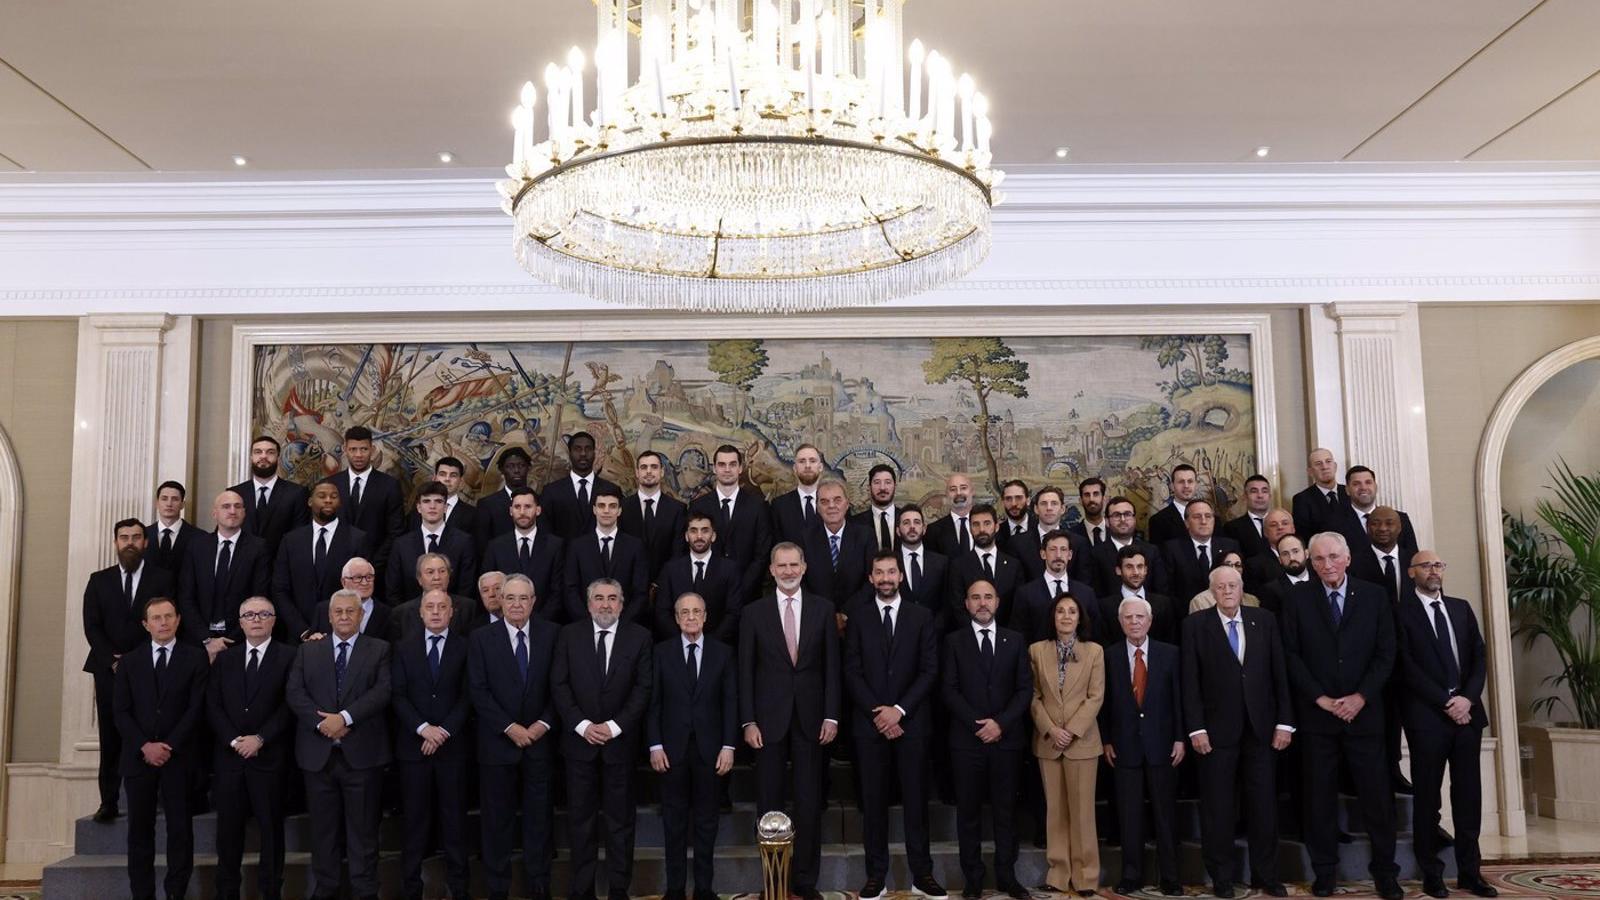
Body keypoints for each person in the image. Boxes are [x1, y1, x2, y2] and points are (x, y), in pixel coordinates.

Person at [1280, 532, 1402, 900]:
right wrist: (1319, 698)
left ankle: (1386, 873)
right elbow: (1290, 654)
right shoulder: (1297, 598)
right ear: (1311, 562)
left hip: (1364, 714)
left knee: (1377, 799)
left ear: (1347, 558)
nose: (1327, 564)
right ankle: (1325, 872)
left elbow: (1386, 653)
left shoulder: (1374, 596)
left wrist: (1361, 696)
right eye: (1319, 559)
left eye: (1333, 557)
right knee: (1318, 799)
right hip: (1318, 717)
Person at [1181, 566, 1294, 899]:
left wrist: (1284, 723)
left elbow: (1279, 673)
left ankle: (1266, 876)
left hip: (1261, 730)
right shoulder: (1194, 625)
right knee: (1218, 808)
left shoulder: (1264, 620)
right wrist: (1196, 728)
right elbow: (1190, 682)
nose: (1227, 591)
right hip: (1214, 733)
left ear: (1242, 589)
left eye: (1232, 585)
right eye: (1221, 587)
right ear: (1211, 592)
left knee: (1263, 806)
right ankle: (1222, 877)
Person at [739, 543, 839, 900]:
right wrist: (748, 721)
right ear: (771, 570)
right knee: (769, 801)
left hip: (812, 719)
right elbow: (745, 671)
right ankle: (773, 880)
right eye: (781, 565)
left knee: (809, 801)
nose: (788, 571)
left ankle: (805, 881)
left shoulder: (823, 609)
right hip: (767, 722)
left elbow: (832, 667)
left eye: (794, 564)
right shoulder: (753, 613)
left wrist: (831, 715)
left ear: (804, 567)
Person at [844, 552, 946, 900]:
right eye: (879, 573)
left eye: (891, 572)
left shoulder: (922, 616)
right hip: (870, 725)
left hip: (912, 724)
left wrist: (899, 711)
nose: (885, 578)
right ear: (870, 578)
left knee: (916, 804)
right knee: (873, 805)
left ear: (901, 576)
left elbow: (929, 669)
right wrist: (880, 714)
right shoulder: (858, 617)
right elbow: (852, 671)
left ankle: (922, 874)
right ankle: (876, 876)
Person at [1399, 552, 1499, 899]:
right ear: (1411, 572)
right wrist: (1446, 702)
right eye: (1426, 566)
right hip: (1428, 719)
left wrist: (1467, 699)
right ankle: (1432, 874)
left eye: (1438, 565)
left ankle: (1470, 873)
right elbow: (1406, 667)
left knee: (1469, 797)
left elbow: (1479, 657)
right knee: (1428, 799)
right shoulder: (1400, 612)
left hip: (1467, 717)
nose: (1433, 571)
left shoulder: (1461, 607)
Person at [285, 589, 393, 900]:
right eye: (338, 612)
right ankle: (326, 890)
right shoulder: (308, 651)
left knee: (364, 833)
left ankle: (365, 892)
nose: (344, 616)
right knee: (323, 832)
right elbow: (295, 693)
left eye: (350, 611)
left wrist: (344, 718)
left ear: (361, 615)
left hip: (363, 756)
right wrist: (323, 723)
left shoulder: (380, 648)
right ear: (329, 617)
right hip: (318, 756)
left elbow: (382, 691)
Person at [553, 578, 654, 900]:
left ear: (622, 605)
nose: (605, 604)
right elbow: (559, 684)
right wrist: (582, 725)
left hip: (620, 744)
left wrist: (615, 726)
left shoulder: (640, 637)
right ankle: (582, 889)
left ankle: (618, 888)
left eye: (612, 598)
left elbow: (643, 687)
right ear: (588, 604)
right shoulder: (569, 635)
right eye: (599, 598)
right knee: (580, 821)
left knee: (620, 821)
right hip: (579, 744)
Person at [467, 573, 560, 900]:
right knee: (496, 821)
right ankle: (497, 887)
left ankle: (539, 884)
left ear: (533, 602)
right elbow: (478, 690)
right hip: (497, 744)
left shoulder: (553, 634)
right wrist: (510, 727)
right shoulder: (480, 638)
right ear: (500, 601)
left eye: (523, 598)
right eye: (510, 598)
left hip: (540, 742)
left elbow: (560, 686)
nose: (517, 604)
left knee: (539, 819)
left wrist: (542, 724)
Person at [941, 579, 1031, 900]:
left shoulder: (1015, 640)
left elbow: (1024, 689)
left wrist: (1000, 724)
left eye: (988, 597)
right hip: (967, 742)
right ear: (966, 604)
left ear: (997, 602)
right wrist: (978, 725)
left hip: (1006, 741)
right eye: (975, 597)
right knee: (968, 814)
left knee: (1006, 813)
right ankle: (974, 879)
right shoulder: (953, 641)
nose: (982, 603)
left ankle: (1007, 876)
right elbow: (949, 689)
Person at [115, 596, 208, 900]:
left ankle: (175, 893)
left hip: (179, 758)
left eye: (169, 616)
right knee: (139, 833)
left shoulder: (195, 658)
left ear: (178, 620)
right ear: (146, 624)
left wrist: (169, 745)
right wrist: (145, 745)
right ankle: (142, 895)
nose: (163, 622)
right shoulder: (129, 662)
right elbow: (121, 712)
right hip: (138, 758)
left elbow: (196, 708)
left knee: (180, 831)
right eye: (156, 618)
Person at [83, 517, 175, 823]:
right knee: (111, 735)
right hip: (107, 669)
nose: (130, 543)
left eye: (136, 537)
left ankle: (157, 797)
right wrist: (113, 660)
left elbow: (164, 623)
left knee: (151, 728)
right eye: (124, 538)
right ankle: (108, 801)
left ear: (145, 542)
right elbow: (92, 626)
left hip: (149, 668)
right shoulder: (99, 580)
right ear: (116, 543)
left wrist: (134, 661)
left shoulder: (162, 578)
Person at [647, 592, 737, 900]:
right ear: (675, 618)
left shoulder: (723, 653)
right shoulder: (661, 652)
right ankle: (674, 888)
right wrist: (655, 745)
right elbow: (653, 704)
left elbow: (730, 703)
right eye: (684, 612)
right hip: (670, 751)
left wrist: (729, 746)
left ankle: (703, 888)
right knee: (673, 822)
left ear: (706, 616)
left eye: (696, 611)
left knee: (706, 822)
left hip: (711, 751)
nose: (690, 617)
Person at [206, 596, 293, 900]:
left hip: (269, 758)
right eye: (249, 615)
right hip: (230, 760)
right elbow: (213, 705)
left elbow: (289, 705)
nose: (256, 619)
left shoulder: (289, 656)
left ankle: (270, 892)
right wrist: (234, 740)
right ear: (240, 623)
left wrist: (261, 738)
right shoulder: (225, 659)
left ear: (273, 620)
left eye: (263, 614)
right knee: (228, 834)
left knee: (271, 832)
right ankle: (227, 893)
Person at [1100, 596, 1184, 897]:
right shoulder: (1108, 656)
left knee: (1165, 815)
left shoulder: (1170, 653)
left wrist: (1180, 738)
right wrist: (1106, 739)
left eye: (1139, 617)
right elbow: (1104, 703)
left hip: (1163, 745)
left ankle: (1170, 877)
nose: (1134, 622)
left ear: (1150, 621)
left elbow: (1178, 699)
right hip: (1124, 746)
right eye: (1128, 617)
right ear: (1120, 622)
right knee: (1129, 815)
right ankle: (1131, 875)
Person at [391, 589, 472, 900]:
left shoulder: (466, 647)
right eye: (430, 607)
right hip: (414, 749)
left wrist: (443, 731)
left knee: (455, 822)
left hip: (453, 749)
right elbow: (398, 695)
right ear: (420, 612)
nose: (436, 612)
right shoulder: (402, 648)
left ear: (452, 612)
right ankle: (411, 889)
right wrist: (424, 729)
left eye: (442, 607)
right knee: (414, 823)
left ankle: (459, 889)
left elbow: (468, 695)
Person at [1028, 592, 1104, 897]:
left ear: (1080, 617)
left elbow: (1095, 697)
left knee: (1083, 813)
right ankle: (1058, 873)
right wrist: (1050, 729)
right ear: (1053, 616)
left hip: (1081, 742)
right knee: (1055, 812)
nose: (1066, 616)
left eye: (1072, 611)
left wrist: (1070, 731)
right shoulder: (1036, 650)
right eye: (1061, 611)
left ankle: (1086, 876)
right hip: (1048, 742)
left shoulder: (1094, 651)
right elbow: (1033, 696)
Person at [1350, 505, 1418, 793]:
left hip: (1412, 655)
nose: (1382, 529)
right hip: (1373, 655)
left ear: (1400, 527)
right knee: (1382, 717)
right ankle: (1385, 771)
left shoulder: (1415, 562)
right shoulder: (1355, 563)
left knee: (1410, 716)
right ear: (1368, 528)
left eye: (1389, 523)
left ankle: (1401, 770)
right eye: (1376, 523)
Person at [179, 489, 271, 662]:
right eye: (226, 506)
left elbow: (259, 597)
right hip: (198, 642)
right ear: (215, 513)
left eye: (238, 506)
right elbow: (186, 597)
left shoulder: (258, 548)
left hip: (240, 641)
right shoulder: (197, 546)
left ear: (244, 512)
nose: (232, 511)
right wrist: (206, 639)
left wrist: (230, 640)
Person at [273, 482, 371, 643]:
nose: (328, 500)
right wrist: (303, 631)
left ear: (340, 502)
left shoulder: (357, 539)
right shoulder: (291, 540)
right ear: (310, 501)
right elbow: (280, 589)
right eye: (322, 496)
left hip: (341, 635)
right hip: (298, 636)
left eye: (334, 496)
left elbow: (360, 588)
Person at [322, 425, 406, 593]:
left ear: (372, 450)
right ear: (345, 449)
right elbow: (322, 528)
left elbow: (396, 532)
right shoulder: (330, 485)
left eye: (364, 449)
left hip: (376, 574)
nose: (358, 455)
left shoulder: (390, 486)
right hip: (335, 573)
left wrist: (370, 566)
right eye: (353, 449)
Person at [689, 444, 773, 602]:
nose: (727, 470)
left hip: (748, 596)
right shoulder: (698, 506)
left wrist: (742, 588)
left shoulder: (758, 506)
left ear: (740, 468)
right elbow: (693, 550)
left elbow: (762, 555)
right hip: (707, 595)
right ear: (715, 469)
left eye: (732, 464)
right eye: (722, 464)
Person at [564, 486, 649, 624]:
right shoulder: (577, 546)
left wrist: (621, 623)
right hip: (585, 625)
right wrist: (588, 622)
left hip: (624, 625)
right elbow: (570, 590)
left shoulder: (635, 546)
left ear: (619, 510)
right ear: (594, 509)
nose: (606, 511)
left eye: (612, 506)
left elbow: (640, 592)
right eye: (601, 505)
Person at [480, 487, 566, 621]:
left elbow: (558, 591)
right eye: (517, 507)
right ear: (510, 511)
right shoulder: (495, 546)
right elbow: (490, 587)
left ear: (538, 510)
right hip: (506, 622)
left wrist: (538, 623)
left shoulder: (555, 545)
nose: (522, 512)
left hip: (545, 623)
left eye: (528, 506)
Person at [386, 480, 477, 605]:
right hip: (410, 614)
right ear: (418, 507)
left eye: (438, 501)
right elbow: (393, 590)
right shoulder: (401, 545)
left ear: (445, 507)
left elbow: (466, 588)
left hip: (453, 612)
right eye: (426, 501)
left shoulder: (464, 542)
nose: (432, 506)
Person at [654, 512, 741, 642]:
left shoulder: (729, 569)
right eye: (693, 531)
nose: (699, 536)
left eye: (705, 531)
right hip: (678, 644)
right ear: (686, 536)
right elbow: (662, 612)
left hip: (718, 645)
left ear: (713, 536)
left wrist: (708, 644)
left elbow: (733, 612)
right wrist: (683, 641)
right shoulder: (670, 569)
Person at [1012, 531, 1101, 645]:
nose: (1058, 555)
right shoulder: (1025, 594)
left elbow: (1096, 634)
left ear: (1070, 555)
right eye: (1053, 549)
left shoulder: (1086, 593)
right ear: (1043, 554)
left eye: (1063, 549)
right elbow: (1019, 636)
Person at [800, 477, 877, 608]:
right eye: (824, 502)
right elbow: (802, 582)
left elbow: (872, 579)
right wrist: (825, 613)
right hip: (817, 614)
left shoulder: (865, 536)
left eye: (837, 500)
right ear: (817, 507)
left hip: (857, 613)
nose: (831, 506)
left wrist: (847, 612)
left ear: (847, 504)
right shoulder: (806, 539)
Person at [232, 434, 310, 560]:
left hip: (280, 565)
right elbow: (226, 533)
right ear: (251, 457)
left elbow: (300, 537)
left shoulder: (297, 493)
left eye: (270, 452)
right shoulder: (235, 493)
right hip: (241, 565)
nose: (263, 456)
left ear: (278, 457)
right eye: (258, 452)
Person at [620, 450, 688, 591]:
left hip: (665, 587)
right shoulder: (622, 507)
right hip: (628, 587)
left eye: (654, 467)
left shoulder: (677, 509)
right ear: (637, 472)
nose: (649, 471)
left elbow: (678, 552)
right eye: (644, 467)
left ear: (662, 472)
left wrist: (660, 582)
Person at [946, 504, 1020, 628]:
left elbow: (1018, 607)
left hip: (1007, 635)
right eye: (976, 524)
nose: (981, 529)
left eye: (987, 523)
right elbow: (957, 606)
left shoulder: (1014, 565)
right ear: (970, 529)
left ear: (996, 526)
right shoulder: (958, 565)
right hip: (970, 635)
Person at [540, 431, 622, 540]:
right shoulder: (551, 492)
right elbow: (545, 533)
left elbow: (619, 530)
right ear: (569, 453)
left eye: (588, 449)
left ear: (594, 453)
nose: (583, 453)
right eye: (577, 449)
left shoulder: (611, 490)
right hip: (564, 551)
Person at [1087, 496, 1169, 599]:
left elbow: (1161, 592)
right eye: (1117, 515)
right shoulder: (1096, 554)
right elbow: (1094, 594)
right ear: (1107, 521)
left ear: (1134, 519)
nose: (1123, 519)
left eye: (1127, 514)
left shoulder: (1151, 551)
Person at [1161, 498, 1240, 602]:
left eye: (1208, 516)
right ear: (1186, 523)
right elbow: (1167, 589)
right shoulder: (1172, 549)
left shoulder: (1229, 546)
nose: (1203, 521)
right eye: (1197, 517)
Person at [1009, 487, 1093, 585]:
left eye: (1054, 503)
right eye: (1043, 503)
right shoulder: (1017, 544)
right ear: (1036, 509)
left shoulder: (1078, 543)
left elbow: (1083, 584)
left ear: (1062, 509)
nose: (1049, 508)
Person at [389, 552, 480, 642]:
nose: (437, 577)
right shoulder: (401, 614)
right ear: (419, 578)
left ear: (449, 576)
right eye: (430, 572)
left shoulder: (468, 608)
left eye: (442, 571)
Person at [1107, 545, 1179, 646]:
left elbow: (1170, 642)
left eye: (1140, 567)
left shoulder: (1164, 605)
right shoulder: (1105, 607)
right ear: (1118, 570)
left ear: (1145, 570)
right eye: (1129, 567)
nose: (1136, 572)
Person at [308, 558, 392, 641]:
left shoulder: (387, 614)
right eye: (358, 578)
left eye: (369, 577)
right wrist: (314, 641)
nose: (365, 582)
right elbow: (313, 641)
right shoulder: (323, 610)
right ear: (344, 582)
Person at [1344, 466, 1419, 555]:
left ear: (1376, 487)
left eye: (1368, 482)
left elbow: (1413, 556)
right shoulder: (1335, 523)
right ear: (1347, 490)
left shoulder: (1401, 518)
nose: (1363, 487)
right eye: (1356, 484)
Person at [895, 505, 950, 626]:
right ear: (898, 531)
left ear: (924, 529)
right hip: (900, 631)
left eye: (917, 522)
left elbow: (947, 603)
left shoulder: (941, 562)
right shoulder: (891, 562)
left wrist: (935, 629)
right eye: (906, 523)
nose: (912, 527)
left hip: (934, 632)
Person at [475, 446, 534, 548]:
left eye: (521, 465)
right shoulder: (487, 505)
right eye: (510, 466)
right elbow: (482, 545)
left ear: (528, 468)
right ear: (501, 470)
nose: (516, 470)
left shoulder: (540, 501)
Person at [770, 443, 826, 545]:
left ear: (820, 467)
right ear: (795, 468)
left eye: (812, 461)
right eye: (802, 461)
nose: (807, 466)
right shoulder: (779, 506)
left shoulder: (835, 504)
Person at [1290, 448, 1348, 543]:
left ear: (1335, 466)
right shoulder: (1302, 499)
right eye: (1318, 464)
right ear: (1310, 472)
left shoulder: (1349, 492)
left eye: (1328, 461)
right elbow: (1303, 536)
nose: (1324, 467)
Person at [413, 455, 479, 539]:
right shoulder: (417, 511)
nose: (447, 479)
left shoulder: (473, 515)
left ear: (461, 481)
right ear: (434, 478)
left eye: (453, 475)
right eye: (442, 474)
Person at [145, 480, 195, 576]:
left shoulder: (199, 537)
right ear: (157, 503)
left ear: (182, 504)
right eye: (164, 499)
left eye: (175, 499)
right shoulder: (143, 534)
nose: (169, 504)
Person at [850, 463, 901, 552]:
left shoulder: (906, 519)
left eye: (888, 482)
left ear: (895, 486)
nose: (882, 488)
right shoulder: (855, 524)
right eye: (877, 482)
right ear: (869, 487)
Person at [1187, 551, 1260, 613]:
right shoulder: (1200, 601)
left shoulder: (1252, 600)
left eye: (1238, 565)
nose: (1233, 569)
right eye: (1228, 565)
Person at [1222, 473, 1274, 560]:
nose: (1260, 496)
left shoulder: (1282, 524)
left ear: (1270, 496)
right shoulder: (1232, 528)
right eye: (1254, 491)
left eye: (1264, 491)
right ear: (1245, 496)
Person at [925, 473, 977, 558]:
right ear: (947, 494)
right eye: (953, 489)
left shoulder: (987, 526)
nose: (958, 493)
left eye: (963, 488)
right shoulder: (933, 531)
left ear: (972, 491)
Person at [1146, 464, 1199, 546]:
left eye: (1190, 481)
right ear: (1172, 486)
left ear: (1196, 485)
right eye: (1181, 482)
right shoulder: (1158, 521)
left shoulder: (1214, 520)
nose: (1186, 486)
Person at [996, 478, 1034, 545]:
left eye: (1018, 498)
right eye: (1008, 498)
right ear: (1003, 502)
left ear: (1028, 501)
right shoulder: (996, 533)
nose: (1013, 504)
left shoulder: (1039, 528)